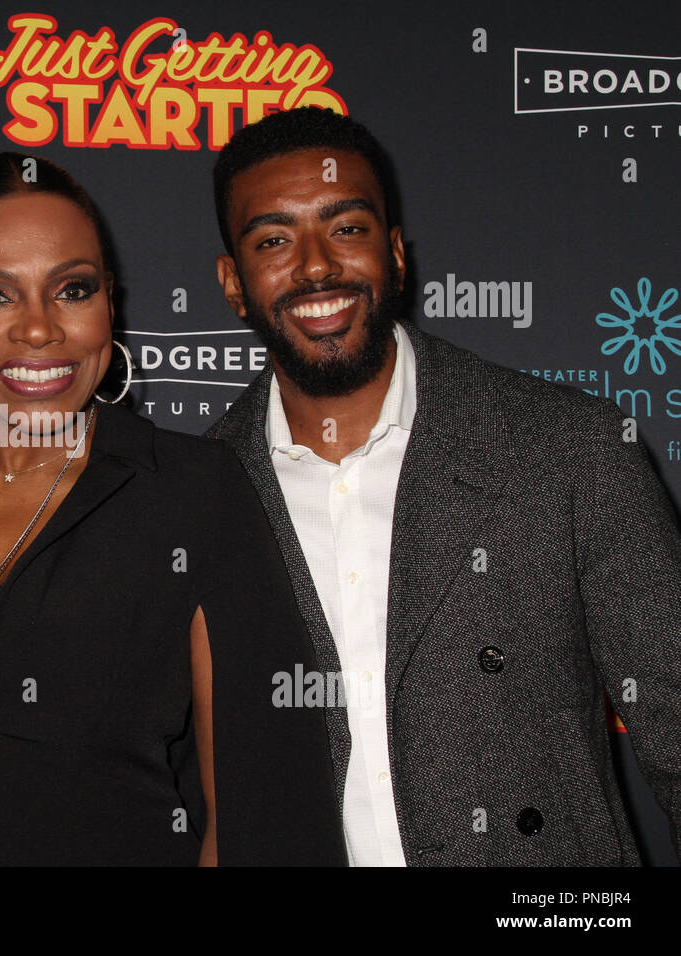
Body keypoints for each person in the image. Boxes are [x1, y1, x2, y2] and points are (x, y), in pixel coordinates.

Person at [0, 152, 344, 866]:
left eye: (72, 290)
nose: (38, 330)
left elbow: (257, 801)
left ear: (108, 304)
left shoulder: (192, 490)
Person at [206, 105, 681, 865]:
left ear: (395, 253)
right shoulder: (199, 498)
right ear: (234, 282)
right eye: (273, 240)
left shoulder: (567, 448)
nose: (317, 265)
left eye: (348, 228)